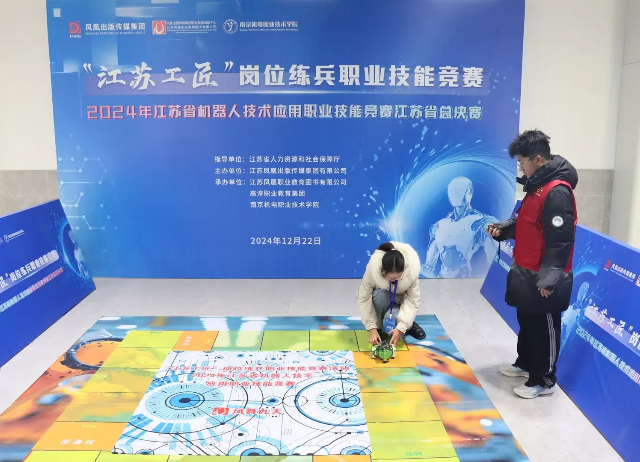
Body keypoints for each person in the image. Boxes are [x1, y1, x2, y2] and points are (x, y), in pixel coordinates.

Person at [487, 130, 578, 399]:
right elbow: (526, 222)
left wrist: (549, 280)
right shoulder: (536, 186)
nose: (520, 168)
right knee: (527, 320)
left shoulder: (557, 191)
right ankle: (525, 363)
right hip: (526, 269)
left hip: (544, 275)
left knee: (544, 327)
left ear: (538, 159)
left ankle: (543, 379)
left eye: (522, 162)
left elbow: (560, 240)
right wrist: (504, 230)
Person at [424, 177, 499, 278]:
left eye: (459, 190)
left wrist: (493, 273)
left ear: (469, 192)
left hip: (464, 276)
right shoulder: (440, 225)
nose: (455, 194)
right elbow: (429, 262)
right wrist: (428, 266)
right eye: (452, 191)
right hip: (442, 276)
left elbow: (492, 252)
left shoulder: (480, 221)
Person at [357, 241, 426, 347]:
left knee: (395, 320)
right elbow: (363, 298)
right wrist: (372, 328)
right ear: (382, 271)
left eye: (397, 277)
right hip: (381, 299)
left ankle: (409, 325)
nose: (393, 279)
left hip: (399, 302)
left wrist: (401, 328)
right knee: (380, 295)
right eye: (390, 277)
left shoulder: (411, 272)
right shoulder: (373, 269)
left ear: (404, 271)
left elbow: (413, 301)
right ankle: (378, 327)